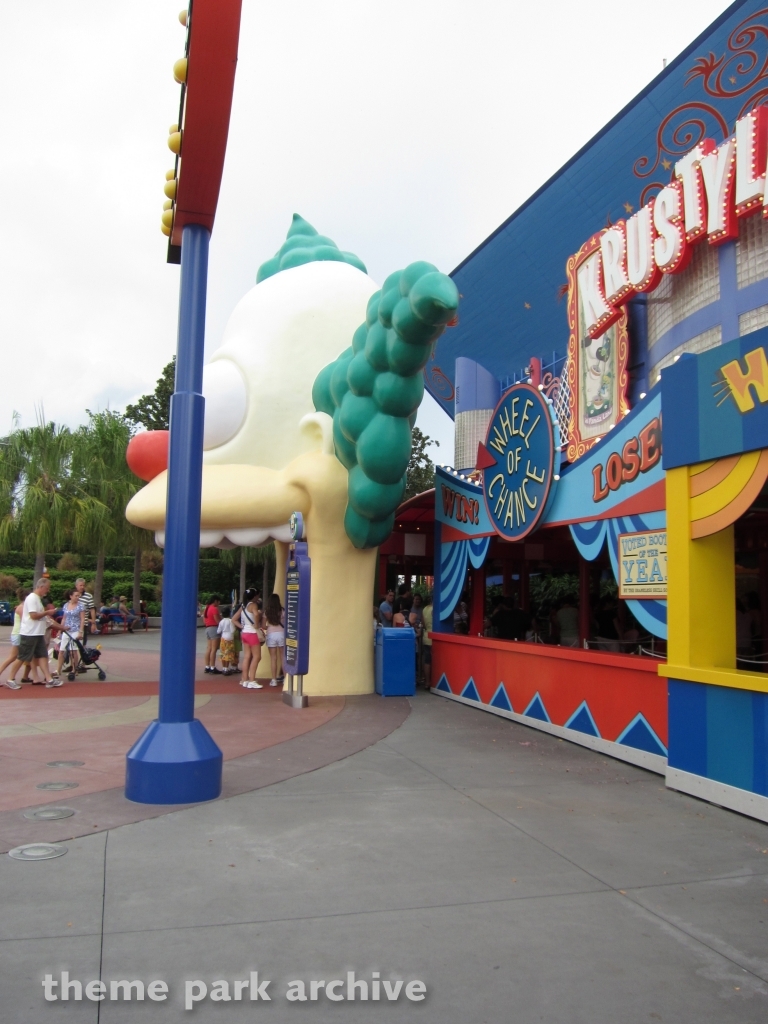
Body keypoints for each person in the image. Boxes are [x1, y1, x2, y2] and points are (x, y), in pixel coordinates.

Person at [16, 578, 57, 687]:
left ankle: (49, 679)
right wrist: (47, 612)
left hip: (37, 632)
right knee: (22, 657)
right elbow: (33, 616)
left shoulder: (37, 598)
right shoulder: (32, 598)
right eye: (47, 588)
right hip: (30, 633)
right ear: (41, 587)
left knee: (42, 655)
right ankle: (10, 678)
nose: (47, 591)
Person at [0, 589, 32, 688]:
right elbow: (26, 621)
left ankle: (26, 676)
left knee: (16, 657)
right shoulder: (22, 608)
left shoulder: (23, 607)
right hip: (19, 634)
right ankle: (11, 678)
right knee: (14, 657)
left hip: (18, 634)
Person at [232, 588, 263, 688]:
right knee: (257, 657)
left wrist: (242, 626)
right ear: (254, 596)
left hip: (244, 633)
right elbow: (256, 614)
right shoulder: (253, 605)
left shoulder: (243, 606)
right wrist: (256, 624)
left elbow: (233, 619)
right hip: (252, 633)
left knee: (247, 657)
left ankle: (244, 679)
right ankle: (252, 680)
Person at [53, 588, 86, 681]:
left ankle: (74, 669)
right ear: (70, 596)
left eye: (78, 596)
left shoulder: (80, 606)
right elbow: (64, 618)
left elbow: (82, 619)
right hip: (66, 629)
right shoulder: (66, 605)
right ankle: (58, 669)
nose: (77, 597)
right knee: (62, 650)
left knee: (73, 650)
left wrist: (81, 631)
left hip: (75, 629)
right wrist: (60, 629)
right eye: (76, 596)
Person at [264, 593, 285, 687]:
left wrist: (270, 626)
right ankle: (285, 678)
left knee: (273, 658)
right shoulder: (283, 611)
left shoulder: (266, 612)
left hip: (271, 634)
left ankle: (274, 680)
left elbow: (263, 626)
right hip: (282, 634)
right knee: (283, 657)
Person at [203, 595, 222, 674]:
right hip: (214, 628)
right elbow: (217, 620)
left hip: (207, 628)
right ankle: (212, 667)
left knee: (209, 648)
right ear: (215, 601)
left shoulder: (206, 608)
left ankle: (207, 666)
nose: (219, 603)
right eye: (218, 601)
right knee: (214, 649)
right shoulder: (214, 609)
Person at [421, 593, 433, 688]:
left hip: (426, 636)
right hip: (434, 637)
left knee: (427, 660)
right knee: (434, 660)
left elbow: (424, 625)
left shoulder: (425, 609)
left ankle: (427, 682)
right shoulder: (435, 609)